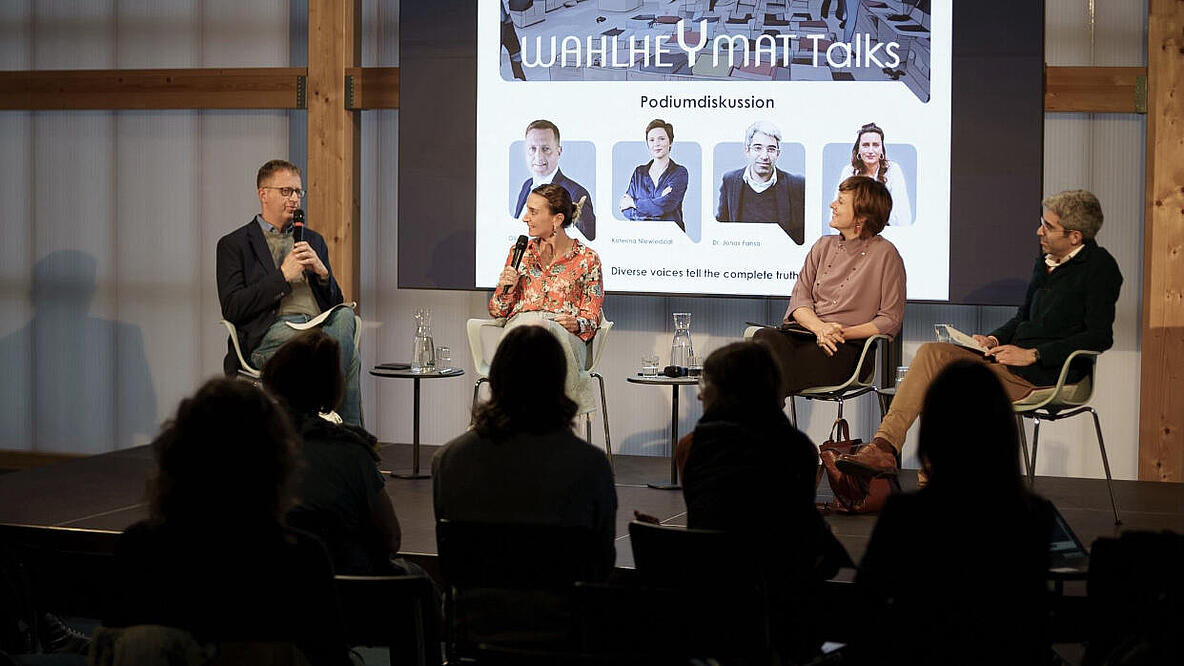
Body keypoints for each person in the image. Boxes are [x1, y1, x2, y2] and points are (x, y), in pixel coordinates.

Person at [835, 189, 1123, 481]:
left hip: (1047, 374)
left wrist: (1033, 354)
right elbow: (1023, 317)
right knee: (931, 354)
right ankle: (884, 447)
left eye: (1048, 227)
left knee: (956, 386)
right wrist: (994, 339)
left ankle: (932, 484)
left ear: (1075, 237)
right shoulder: (1046, 262)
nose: (1039, 231)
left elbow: (1098, 337)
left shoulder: (1100, 268)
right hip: (1008, 362)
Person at [104, 378, 349, 665]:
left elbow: (114, 651)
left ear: (177, 454)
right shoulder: (301, 559)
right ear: (275, 464)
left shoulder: (138, 549)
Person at [852, 360, 1054, 665]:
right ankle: (883, 445)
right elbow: (1036, 619)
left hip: (917, 654)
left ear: (932, 433)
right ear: (1004, 434)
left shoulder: (905, 516)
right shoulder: (1035, 515)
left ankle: (883, 444)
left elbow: (867, 604)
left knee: (931, 353)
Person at [683, 342, 849, 664]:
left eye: (708, 385)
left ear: (726, 392)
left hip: (711, 616)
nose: (701, 395)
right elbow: (798, 534)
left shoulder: (693, 448)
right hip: (780, 621)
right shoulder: (796, 449)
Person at [432, 325, 617, 578]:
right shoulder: (591, 466)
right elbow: (603, 564)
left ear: (496, 378)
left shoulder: (448, 461)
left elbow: (449, 565)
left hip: (478, 614)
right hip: (563, 614)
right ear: (560, 382)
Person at [216, 159, 361, 425]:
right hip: (271, 333)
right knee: (348, 359)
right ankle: (348, 439)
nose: (294, 199)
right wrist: (282, 276)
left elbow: (335, 303)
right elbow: (233, 307)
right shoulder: (234, 245)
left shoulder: (312, 239)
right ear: (263, 194)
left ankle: (324, 414)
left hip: (318, 329)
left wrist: (322, 273)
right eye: (286, 191)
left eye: (298, 192)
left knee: (345, 317)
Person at [261, 330, 403, 576]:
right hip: (348, 595)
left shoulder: (249, 449)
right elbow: (391, 539)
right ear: (332, 386)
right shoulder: (352, 453)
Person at [754, 176, 906, 402]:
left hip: (846, 349)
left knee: (765, 369)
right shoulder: (822, 246)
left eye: (841, 202)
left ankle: (756, 429)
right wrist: (821, 329)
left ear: (862, 216)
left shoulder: (886, 254)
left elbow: (890, 319)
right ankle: (766, 426)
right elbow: (799, 301)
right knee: (764, 338)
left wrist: (839, 333)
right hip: (807, 336)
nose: (832, 205)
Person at [491, 183, 604, 414]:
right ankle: (533, 421)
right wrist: (506, 289)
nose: (525, 218)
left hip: (563, 334)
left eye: (533, 212)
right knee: (528, 330)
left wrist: (577, 323)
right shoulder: (519, 252)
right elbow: (497, 310)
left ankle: (550, 420)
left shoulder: (587, 259)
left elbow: (591, 318)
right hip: (521, 332)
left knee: (548, 331)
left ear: (557, 219)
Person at [716, 120, 806, 244]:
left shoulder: (796, 185)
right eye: (758, 148)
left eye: (771, 149)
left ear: (778, 153)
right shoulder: (730, 181)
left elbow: (800, 236)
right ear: (747, 150)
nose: (764, 156)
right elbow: (721, 228)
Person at [513, 119, 596, 240]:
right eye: (532, 149)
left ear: (559, 152)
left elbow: (591, 237)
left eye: (545, 149)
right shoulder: (527, 185)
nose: (538, 156)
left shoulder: (575, 194)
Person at [834, 122, 912, 227]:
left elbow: (902, 218)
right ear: (858, 149)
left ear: (882, 149)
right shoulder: (848, 171)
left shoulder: (893, 170)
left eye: (875, 145)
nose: (870, 151)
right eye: (865, 145)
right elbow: (837, 212)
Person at [619, 118, 690, 231]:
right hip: (642, 237)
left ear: (670, 142)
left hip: (671, 238)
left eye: (661, 139)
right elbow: (625, 209)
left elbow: (666, 205)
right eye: (651, 140)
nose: (656, 144)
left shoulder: (679, 173)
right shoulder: (639, 173)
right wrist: (657, 202)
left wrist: (633, 203)